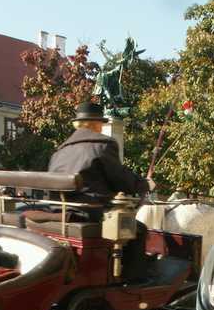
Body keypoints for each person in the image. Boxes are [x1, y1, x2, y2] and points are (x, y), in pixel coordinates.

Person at [48, 101, 156, 280]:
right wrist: (145, 184)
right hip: (89, 213)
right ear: (96, 124)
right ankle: (134, 278)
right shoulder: (103, 144)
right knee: (139, 230)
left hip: (60, 212)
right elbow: (121, 179)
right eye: (101, 123)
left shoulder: (60, 151)